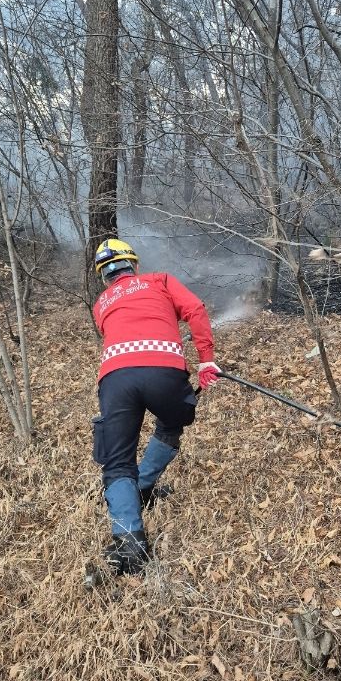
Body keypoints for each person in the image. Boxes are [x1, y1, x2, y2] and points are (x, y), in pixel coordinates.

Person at [92, 238, 221, 575]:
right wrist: (206, 361)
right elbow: (195, 310)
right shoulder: (159, 281)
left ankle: (130, 544)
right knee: (173, 419)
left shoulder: (101, 303)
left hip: (114, 380)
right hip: (163, 371)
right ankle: (144, 487)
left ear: (105, 276)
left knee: (117, 461)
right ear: (134, 265)